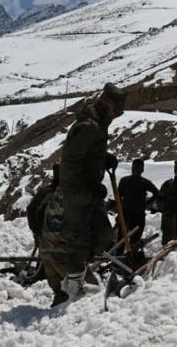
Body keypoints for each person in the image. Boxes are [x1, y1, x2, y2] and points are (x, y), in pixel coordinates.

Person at [40, 83, 126, 305]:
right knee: (78, 237)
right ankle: (73, 282)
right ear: (108, 105)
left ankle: (76, 274)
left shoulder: (97, 123)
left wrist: (102, 158)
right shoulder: (90, 126)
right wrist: (86, 187)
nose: (117, 116)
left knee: (103, 234)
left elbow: (87, 152)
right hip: (77, 192)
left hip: (86, 189)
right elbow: (71, 161)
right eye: (117, 112)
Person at [116, 158, 158, 249]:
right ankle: (119, 261)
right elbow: (118, 197)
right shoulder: (125, 181)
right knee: (121, 241)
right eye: (135, 168)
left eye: (138, 169)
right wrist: (119, 212)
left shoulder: (144, 182)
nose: (136, 171)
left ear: (142, 170)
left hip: (137, 216)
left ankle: (130, 260)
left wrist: (147, 204)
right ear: (132, 169)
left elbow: (157, 193)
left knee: (133, 242)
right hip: (126, 215)